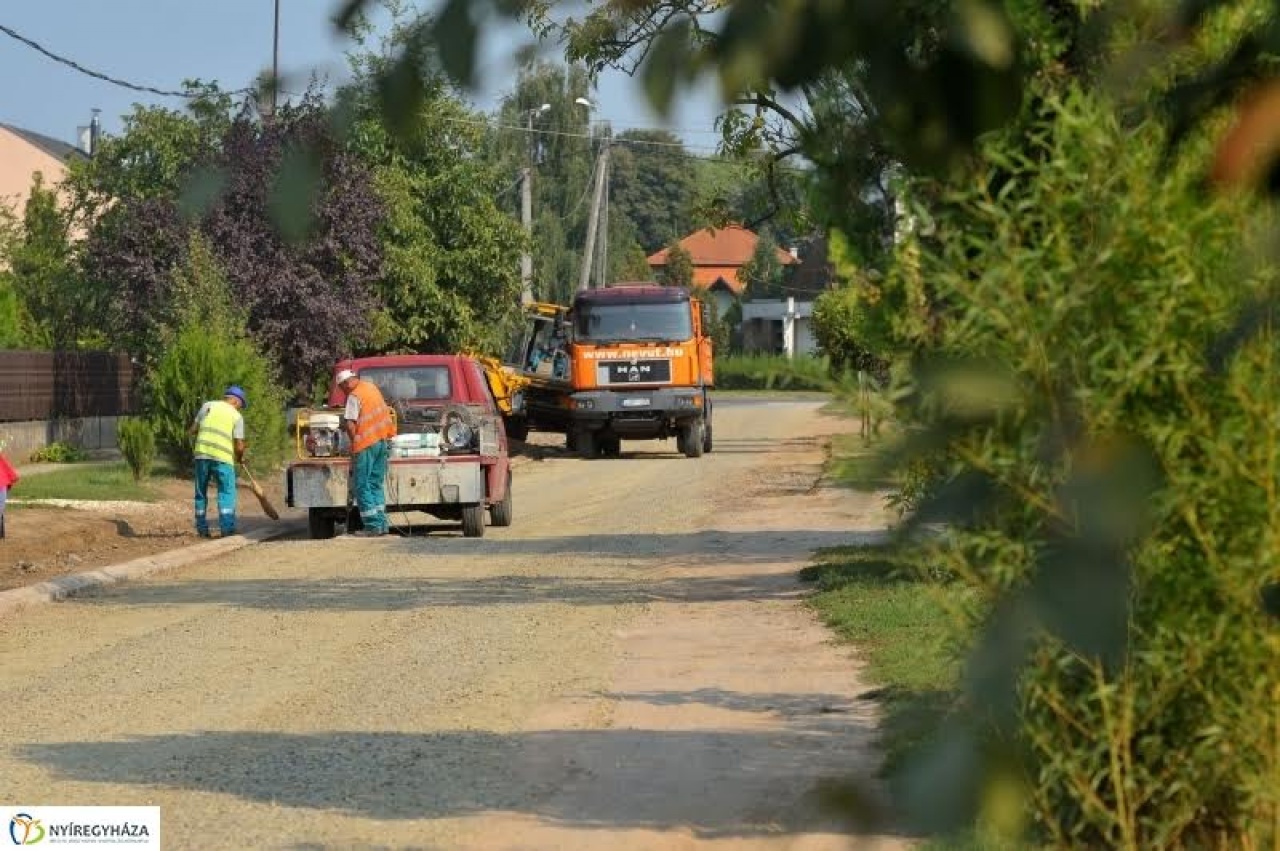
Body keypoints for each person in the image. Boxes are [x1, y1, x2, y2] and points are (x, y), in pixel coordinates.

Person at [337, 368, 396, 537]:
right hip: (381, 441)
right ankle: (382, 524)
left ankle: (372, 526)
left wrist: (356, 442)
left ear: (346, 383)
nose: (343, 392)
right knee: (375, 484)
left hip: (366, 444)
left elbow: (349, 424)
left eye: (342, 388)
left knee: (362, 485)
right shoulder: (371, 388)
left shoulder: (354, 396)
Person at [188, 385, 247, 538]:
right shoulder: (236, 416)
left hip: (202, 456)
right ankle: (227, 529)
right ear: (236, 401)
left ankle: (201, 529)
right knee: (226, 492)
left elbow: (192, 430)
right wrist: (240, 458)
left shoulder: (207, 406)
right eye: (241, 405)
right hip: (223, 459)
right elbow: (239, 445)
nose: (240, 408)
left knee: (200, 492)